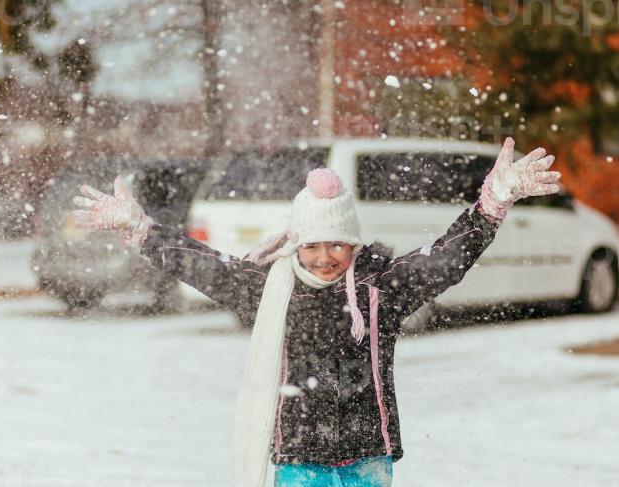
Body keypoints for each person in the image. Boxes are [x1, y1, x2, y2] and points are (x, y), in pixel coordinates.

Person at [71, 137, 560, 487]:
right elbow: (204, 266)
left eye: (337, 245)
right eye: (313, 245)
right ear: (296, 243)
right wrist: (140, 229)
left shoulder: (380, 288)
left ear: (353, 242)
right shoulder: (271, 289)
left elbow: (444, 261)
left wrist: (492, 203)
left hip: (368, 456)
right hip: (299, 459)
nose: (324, 256)